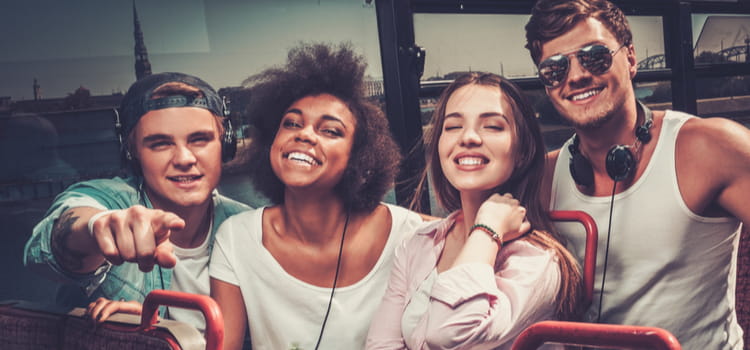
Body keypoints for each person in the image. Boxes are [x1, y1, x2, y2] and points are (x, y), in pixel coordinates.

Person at [525, 0, 750, 348]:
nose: (576, 76)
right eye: (555, 69)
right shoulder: (543, 178)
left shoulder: (711, 147)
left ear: (630, 58)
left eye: (594, 56)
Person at [208, 42, 426, 350]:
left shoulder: (408, 235)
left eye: (331, 131)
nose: (305, 134)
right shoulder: (236, 239)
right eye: (292, 123)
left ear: (359, 157)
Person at [366, 72, 583, 350]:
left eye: (492, 126)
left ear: (523, 151)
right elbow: (379, 345)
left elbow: (450, 332)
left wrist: (487, 229)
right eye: (453, 126)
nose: (468, 137)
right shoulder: (418, 244)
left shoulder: (540, 262)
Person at [23, 72, 250, 332]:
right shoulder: (111, 201)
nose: (185, 158)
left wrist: (161, 330)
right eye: (160, 144)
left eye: (200, 140)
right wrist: (97, 229)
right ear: (132, 154)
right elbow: (55, 239)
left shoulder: (249, 226)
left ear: (226, 144)